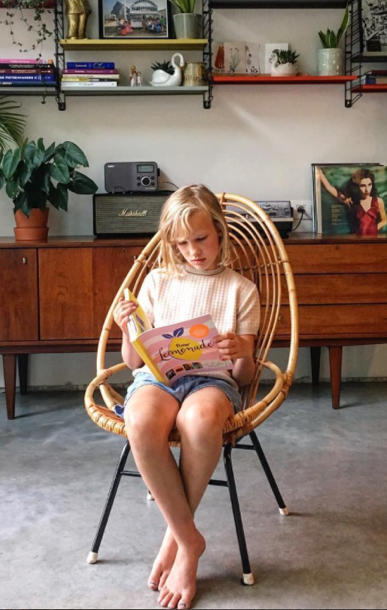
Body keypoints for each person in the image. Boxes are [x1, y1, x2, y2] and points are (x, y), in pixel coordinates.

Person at [113, 185, 260, 610]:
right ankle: (189, 539)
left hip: (212, 383)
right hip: (158, 379)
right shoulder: (157, 281)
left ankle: (176, 541)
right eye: (181, 243)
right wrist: (126, 330)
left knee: (198, 422)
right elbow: (132, 362)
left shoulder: (241, 290)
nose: (193, 251)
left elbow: (244, 377)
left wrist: (242, 352)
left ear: (219, 231)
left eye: (201, 238)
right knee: (140, 421)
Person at [318, 167, 387, 235]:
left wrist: (373, 229)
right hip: (357, 239)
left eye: (369, 185)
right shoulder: (351, 201)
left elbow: (384, 220)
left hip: (374, 238)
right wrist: (319, 172)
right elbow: (329, 188)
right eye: (363, 186)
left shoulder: (378, 201)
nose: (367, 189)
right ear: (356, 186)